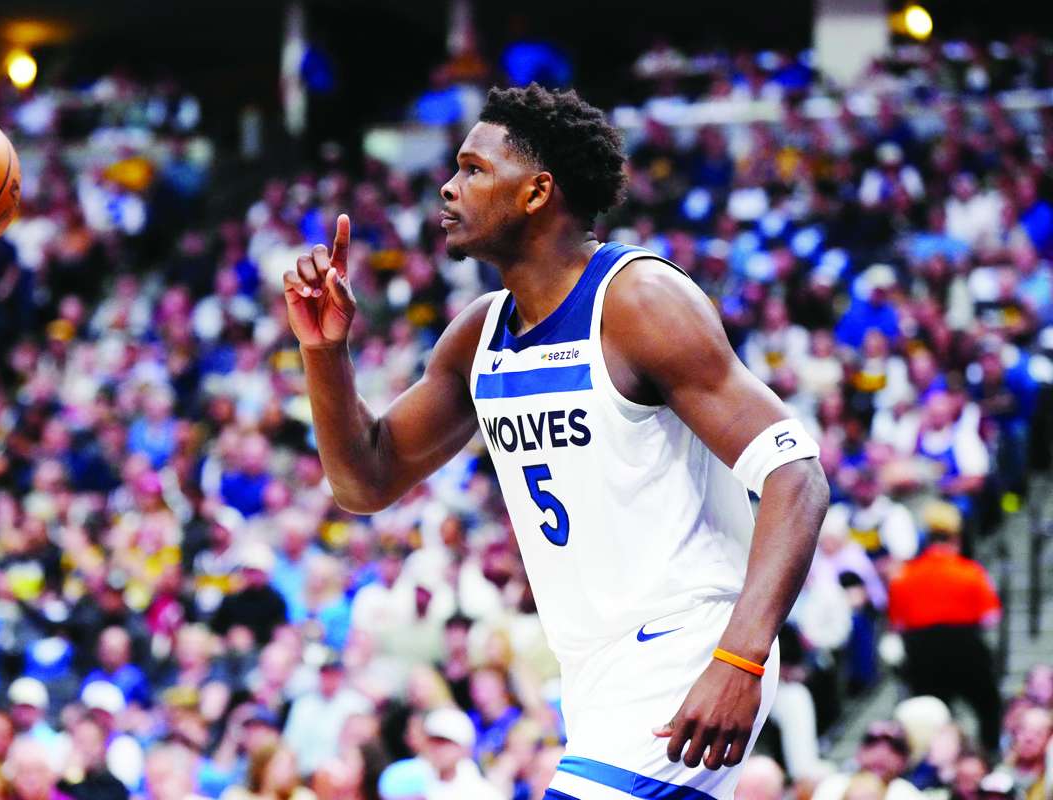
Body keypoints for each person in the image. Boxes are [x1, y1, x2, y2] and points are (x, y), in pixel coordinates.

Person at [284, 84, 828, 799]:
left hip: (687, 646)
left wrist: (743, 655)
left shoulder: (636, 302)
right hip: (592, 670)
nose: (448, 186)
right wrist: (325, 353)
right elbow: (366, 482)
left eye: (473, 169)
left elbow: (797, 474)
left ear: (538, 192)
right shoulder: (481, 334)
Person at [887, 507, 1003, 752]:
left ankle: (929, 763)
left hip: (921, 653)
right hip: (965, 648)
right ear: (956, 539)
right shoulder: (970, 572)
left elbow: (896, 623)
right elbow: (991, 617)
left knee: (930, 715)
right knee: (988, 706)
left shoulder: (905, 575)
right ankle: (990, 753)